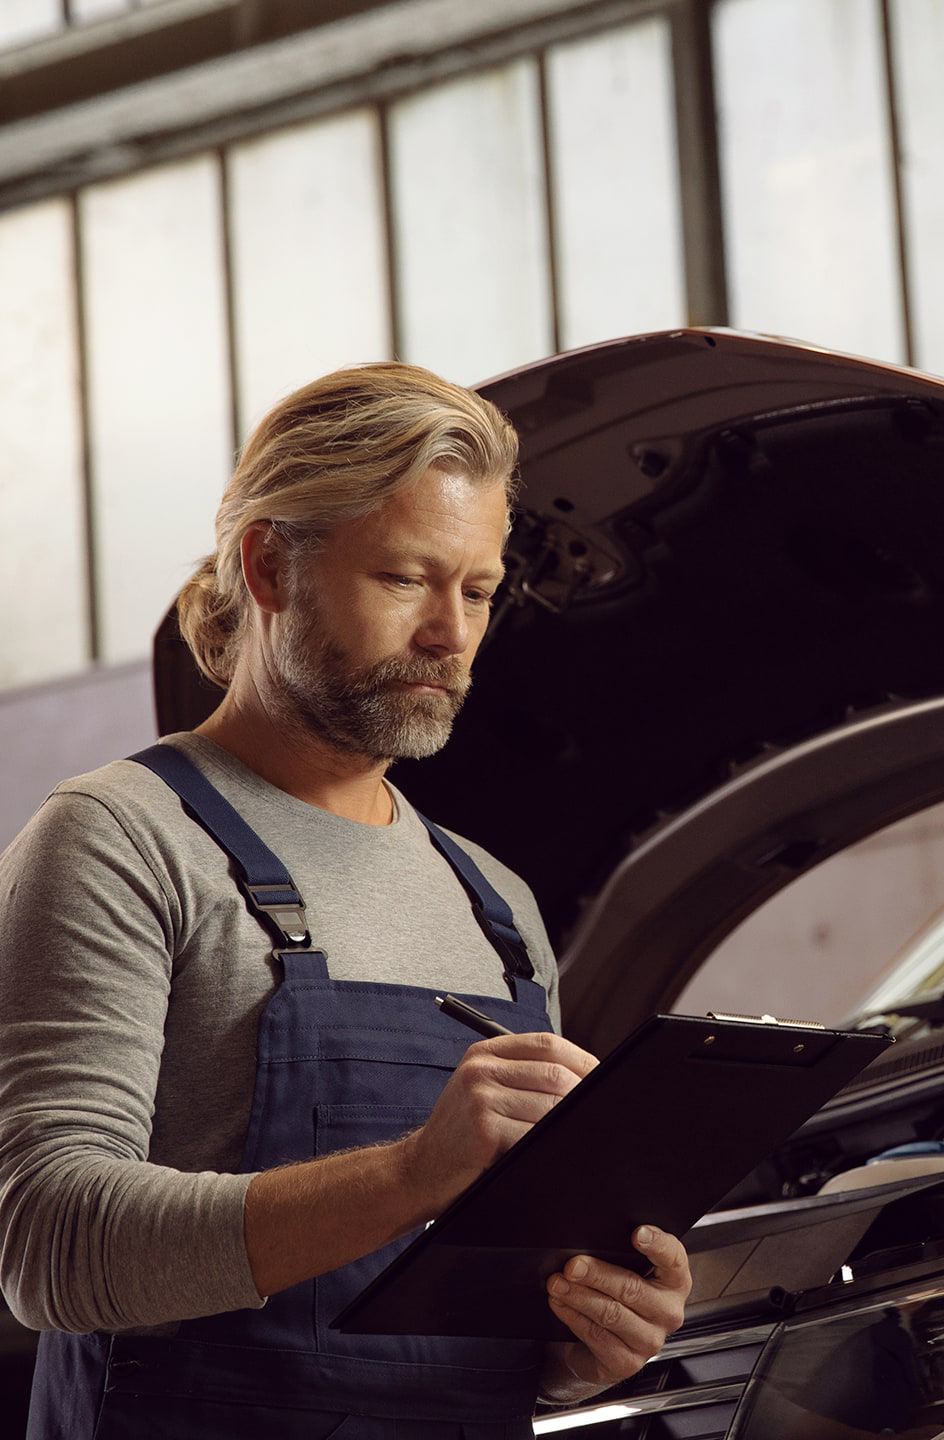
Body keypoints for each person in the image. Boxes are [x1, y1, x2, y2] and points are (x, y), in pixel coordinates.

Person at [0, 362, 691, 1436]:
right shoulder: (121, 838)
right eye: (407, 579)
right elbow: (52, 1249)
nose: (450, 636)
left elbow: (470, 1323)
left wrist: (580, 1341)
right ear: (270, 567)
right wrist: (415, 1170)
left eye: (476, 591)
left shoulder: (495, 905)